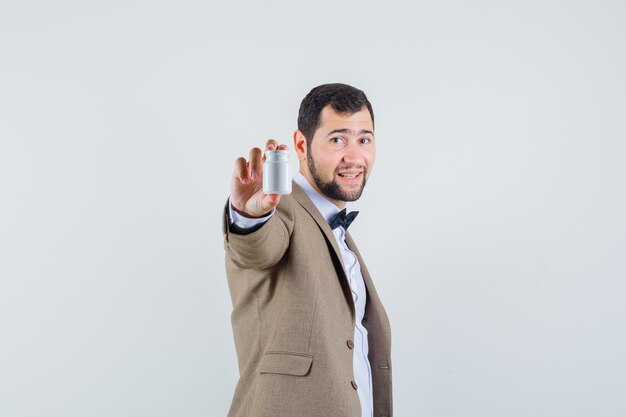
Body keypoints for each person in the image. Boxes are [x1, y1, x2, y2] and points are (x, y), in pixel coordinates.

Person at [222, 83, 392, 417]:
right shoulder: (282, 209)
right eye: (337, 139)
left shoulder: (337, 231)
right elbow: (256, 250)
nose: (354, 156)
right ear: (301, 145)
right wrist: (249, 216)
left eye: (364, 139)